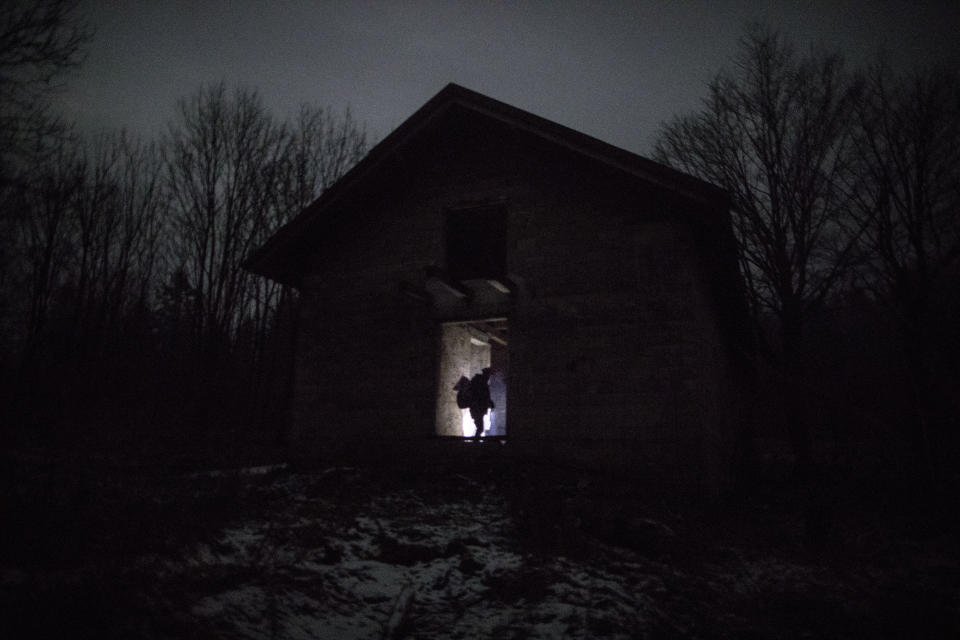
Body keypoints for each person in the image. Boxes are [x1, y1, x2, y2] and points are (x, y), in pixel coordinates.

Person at [468, 367, 495, 438]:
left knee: (480, 428)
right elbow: (482, 396)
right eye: (489, 375)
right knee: (480, 428)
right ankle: (475, 444)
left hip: (477, 408)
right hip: (477, 408)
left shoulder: (479, 382)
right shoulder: (481, 383)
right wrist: (489, 402)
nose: (489, 377)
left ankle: (475, 442)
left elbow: (484, 396)